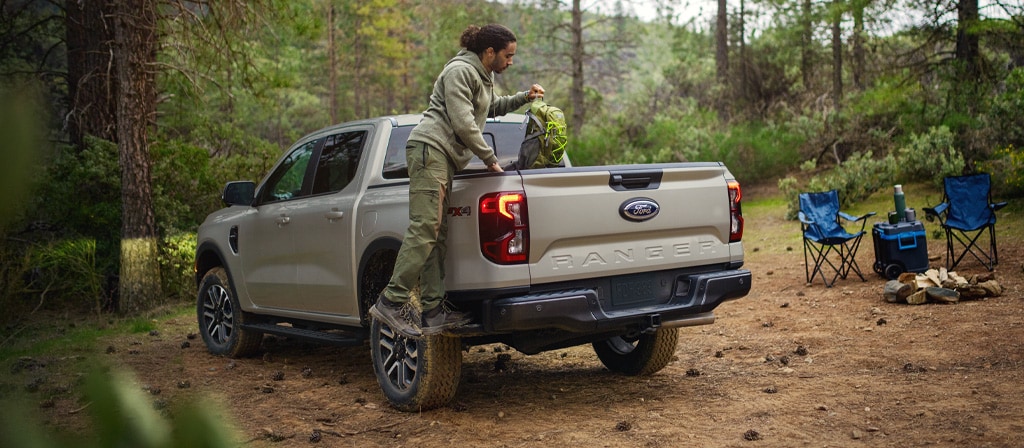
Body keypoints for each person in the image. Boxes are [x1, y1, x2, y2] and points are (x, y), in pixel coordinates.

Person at [369, 24, 545, 338]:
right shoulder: (459, 72)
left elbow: (490, 108)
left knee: (437, 234)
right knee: (424, 228)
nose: (511, 62)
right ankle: (391, 301)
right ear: (489, 52)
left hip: (444, 158)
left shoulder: (482, 75)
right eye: (508, 55)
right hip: (429, 150)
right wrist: (490, 158)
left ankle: (433, 311)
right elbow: (464, 122)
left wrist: (524, 97)